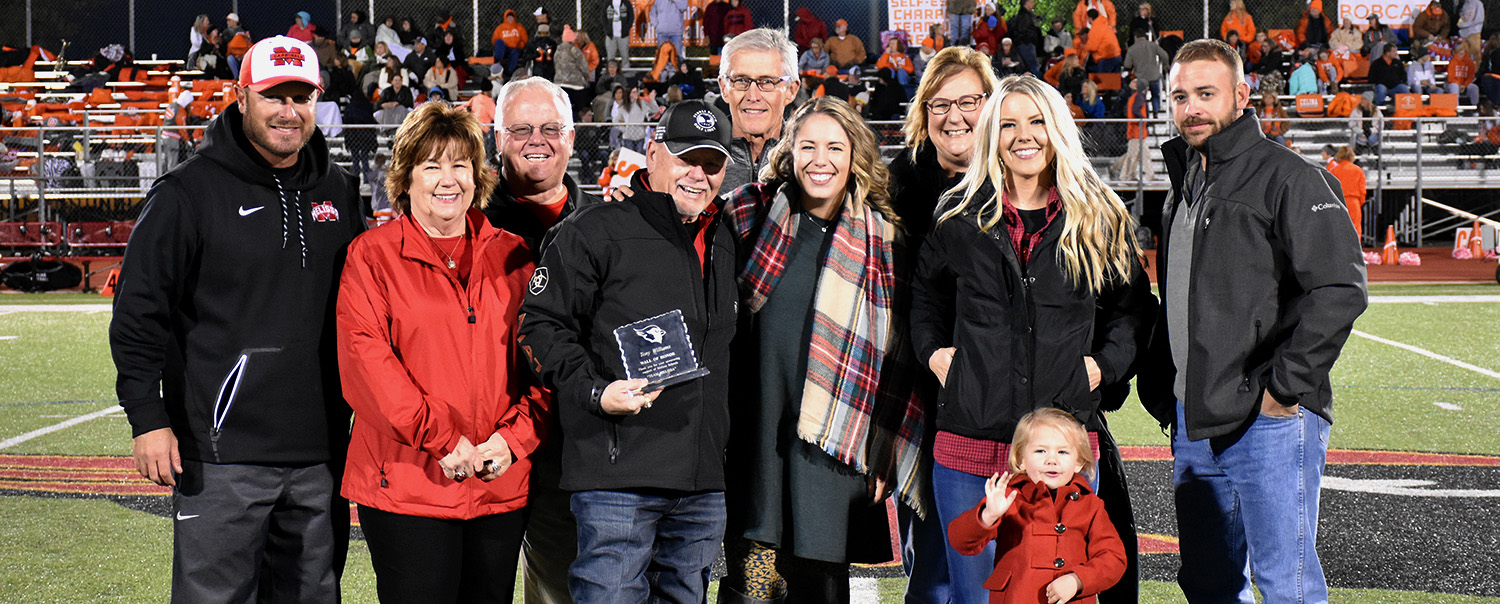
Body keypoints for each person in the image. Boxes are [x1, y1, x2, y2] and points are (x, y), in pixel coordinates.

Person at [109, 35, 363, 604]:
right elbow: (137, 315)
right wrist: (147, 419)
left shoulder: (341, 191)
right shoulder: (187, 193)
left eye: (301, 96)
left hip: (321, 455)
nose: (289, 111)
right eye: (275, 96)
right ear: (241, 95)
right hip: (219, 455)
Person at [911, 74, 1154, 604]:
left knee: (1054, 595)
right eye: (1009, 124)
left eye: (1037, 120)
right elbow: (924, 299)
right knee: (975, 596)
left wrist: (1103, 367)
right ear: (993, 134)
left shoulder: (1099, 213)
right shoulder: (957, 213)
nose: (1025, 135)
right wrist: (934, 355)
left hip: (1061, 446)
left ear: (1057, 128)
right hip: (969, 442)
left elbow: (1132, 309)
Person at [1145, 38, 1367, 604]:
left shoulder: (1289, 176)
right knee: (1208, 583)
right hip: (1197, 421)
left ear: (1242, 95)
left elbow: (1340, 289)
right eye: (1180, 96)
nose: (1191, 108)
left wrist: (1284, 389)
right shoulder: (1183, 188)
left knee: (1286, 587)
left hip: (1269, 419)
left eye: (1205, 93)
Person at [517, 99, 737, 604]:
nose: (698, 176)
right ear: (653, 151)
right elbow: (538, 325)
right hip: (618, 478)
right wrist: (595, 392)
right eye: (686, 158)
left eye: (712, 164)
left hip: (702, 485)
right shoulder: (594, 229)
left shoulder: (726, 237)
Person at [716, 96, 924, 604]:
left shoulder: (886, 240)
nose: (820, 159)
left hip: (833, 447)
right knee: (753, 589)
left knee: (820, 590)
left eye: (834, 147)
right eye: (807, 146)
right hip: (755, 439)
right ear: (790, 151)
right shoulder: (750, 212)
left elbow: (900, 356)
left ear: (855, 155)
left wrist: (884, 448)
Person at [337, 100, 543, 604]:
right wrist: (444, 439)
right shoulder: (372, 255)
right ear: (406, 178)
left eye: (460, 164)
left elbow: (547, 362)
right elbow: (367, 364)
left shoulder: (515, 255)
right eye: (431, 166)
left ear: (478, 176)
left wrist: (514, 440)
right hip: (408, 485)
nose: (447, 179)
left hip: (498, 482)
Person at [888, 45, 1002, 604]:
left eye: (969, 102)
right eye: (939, 104)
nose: (954, 116)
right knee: (933, 560)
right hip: (925, 396)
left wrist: (1102, 367)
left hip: (1018, 397)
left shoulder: (1029, 172)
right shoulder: (897, 185)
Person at [482, 78, 602, 604]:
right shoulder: (463, 219)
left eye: (551, 127)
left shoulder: (605, 224)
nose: (538, 139)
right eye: (521, 128)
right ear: (497, 137)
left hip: (565, 439)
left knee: (559, 587)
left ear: (572, 137)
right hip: (482, 439)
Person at [946, 409, 1127, 604]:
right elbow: (960, 541)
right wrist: (988, 515)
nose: (1052, 459)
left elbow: (1114, 558)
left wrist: (1078, 580)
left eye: (1063, 451)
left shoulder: (1091, 505)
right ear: (1021, 459)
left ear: (1079, 462)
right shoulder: (1009, 497)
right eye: (1040, 451)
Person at [718, 28, 801, 191]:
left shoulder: (808, 162)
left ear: (791, 91)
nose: (753, 96)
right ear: (724, 88)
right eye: (741, 80)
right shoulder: (698, 162)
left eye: (767, 82)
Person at [1111, 77, 1156, 181]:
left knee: (1144, 155)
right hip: (1136, 131)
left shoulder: (1135, 96)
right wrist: (1143, 119)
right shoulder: (1139, 97)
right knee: (1132, 156)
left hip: (1138, 131)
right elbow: (1135, 110)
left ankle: (1149, 175)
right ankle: (1125, 176)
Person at [1122, 29, 1170, 114]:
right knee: (1155, 95)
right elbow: (1164, 55)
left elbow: (1127, 64)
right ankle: (1156, 111)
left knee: (1141, 96)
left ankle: (1145, 113)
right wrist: (1166, 64)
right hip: (1154, 75)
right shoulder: (1153, 45)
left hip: (1141, 77)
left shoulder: (1132, 49)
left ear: (1135, 37)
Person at [1326, 145, 1367, 239]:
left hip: (1339, 202)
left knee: (1339, 228)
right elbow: (1362, 190)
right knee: (1355, 228)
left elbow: (1330, 188)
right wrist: (1360, 202)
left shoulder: (1334, 170)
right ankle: (1355, 252)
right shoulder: (1358, 170)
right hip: (1353, 201)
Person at [494, 10, 531, 77]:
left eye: (512, 17)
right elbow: (495, 40)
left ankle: (509, 72)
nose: (510, 19)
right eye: (508, 17)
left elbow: (524, 40)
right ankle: (498, 61)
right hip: (505, 49)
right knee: (499, 42)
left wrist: (519, 45)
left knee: (514, 53)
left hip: (515, 48)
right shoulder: (500, 28)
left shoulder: (519, 27)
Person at [604, 0, 635, 65]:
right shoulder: (607, 2)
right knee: (610, 56)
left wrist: (626, 28)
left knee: (625, 56)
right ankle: (611, 73)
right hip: (611, 35)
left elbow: (631, 16)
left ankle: (626, 72)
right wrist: (607, 29)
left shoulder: (626, 2)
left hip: (623, 34)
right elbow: (602, 16)